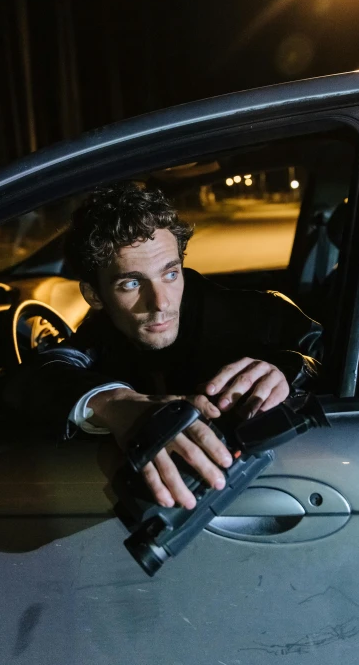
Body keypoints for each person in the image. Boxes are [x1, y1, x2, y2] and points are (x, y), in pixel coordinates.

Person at [24, 182, 321, 510]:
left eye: (169, 274)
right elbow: (35, 376)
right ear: (94, 296)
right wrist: (115, 403)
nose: (160, 303)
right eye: (132, 283)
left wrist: (286, 370)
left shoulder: (261, 314)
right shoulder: (99, 336)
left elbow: (330, 358)